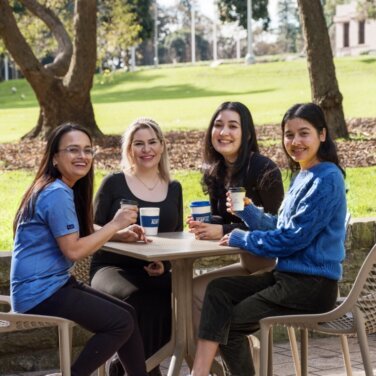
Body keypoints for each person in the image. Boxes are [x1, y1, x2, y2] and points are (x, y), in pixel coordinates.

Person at [190, 102, 347, 376]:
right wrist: (247, 212)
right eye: (289, 134)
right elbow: (280, 225)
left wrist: (240, 238)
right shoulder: (304, 174)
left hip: (312, 286)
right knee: (218, 290)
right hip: (287, 278)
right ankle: (199, 373)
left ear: (322, 135)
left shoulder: (327, 179)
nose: (295, 142)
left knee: (233, 325)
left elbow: (291, 240)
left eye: (303, 133)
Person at [11, 123, 148, 376]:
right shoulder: (56, 193)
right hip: (40, 291)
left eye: (87, 150)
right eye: (73, 150)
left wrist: (117, 234)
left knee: (128, 313)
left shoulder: (57, 188)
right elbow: (73, 250)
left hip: (52, 284)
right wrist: (114, 224)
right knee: (120, 323)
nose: (82, 156)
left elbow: (76, 229)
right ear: (54, 157)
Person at [90, 118, 183, 376]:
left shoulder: (174, 187)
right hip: (111, 267)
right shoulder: (114, 183)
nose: (146, 149)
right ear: (129, 149)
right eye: (138, 144)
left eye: (152, 142)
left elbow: (176, 237)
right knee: (138, 297)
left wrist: (165, 264)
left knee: (180, 296)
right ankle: (147, 371)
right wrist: (118, 234)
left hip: (155, 267)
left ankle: (122, 368)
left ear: (162, 146)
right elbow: (88, 228)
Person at [187, 101, 284, 335]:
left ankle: (225, 356)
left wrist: (223, 231)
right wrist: (205, 223)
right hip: (246, 265)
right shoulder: (215, 171)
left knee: (211, 293)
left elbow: (275, 227)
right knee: (188, 290)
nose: (224, 132)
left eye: (233, 126)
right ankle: (208, 362)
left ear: (247, 134)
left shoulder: (264, 170)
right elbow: (221, 218)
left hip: (274, 268)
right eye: (218, 125)